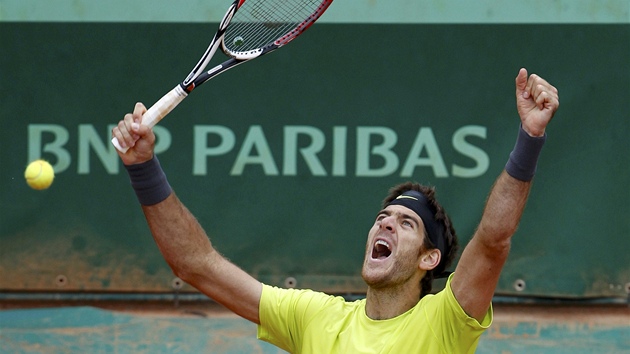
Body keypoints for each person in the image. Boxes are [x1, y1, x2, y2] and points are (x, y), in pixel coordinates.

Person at [112, 68, 559, 353]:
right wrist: (143, 168)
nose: (386, 223)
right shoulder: (317, 319)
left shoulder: (446, 321)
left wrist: (529, 138)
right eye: (383, 217)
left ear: (430, 259)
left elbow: (494, 240)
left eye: (406, 223)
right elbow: (196, 265)